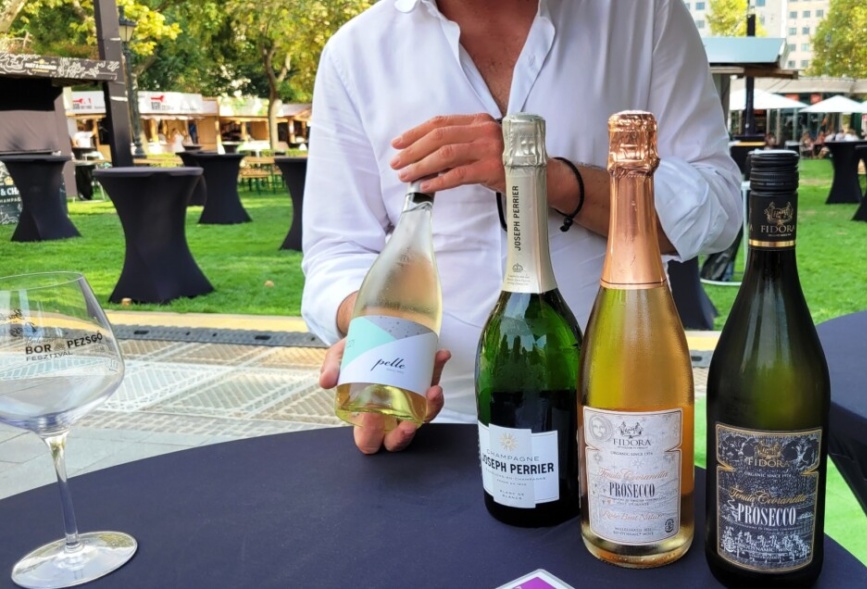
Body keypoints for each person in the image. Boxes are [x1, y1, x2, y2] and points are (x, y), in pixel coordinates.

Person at [301, 0, 742, 454]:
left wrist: (547, 177)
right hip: (432, 421)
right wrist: (376, 335)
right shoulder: (356, 53)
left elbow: (720, 209)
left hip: (615, 414)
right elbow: (336, 251)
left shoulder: (645, 14)